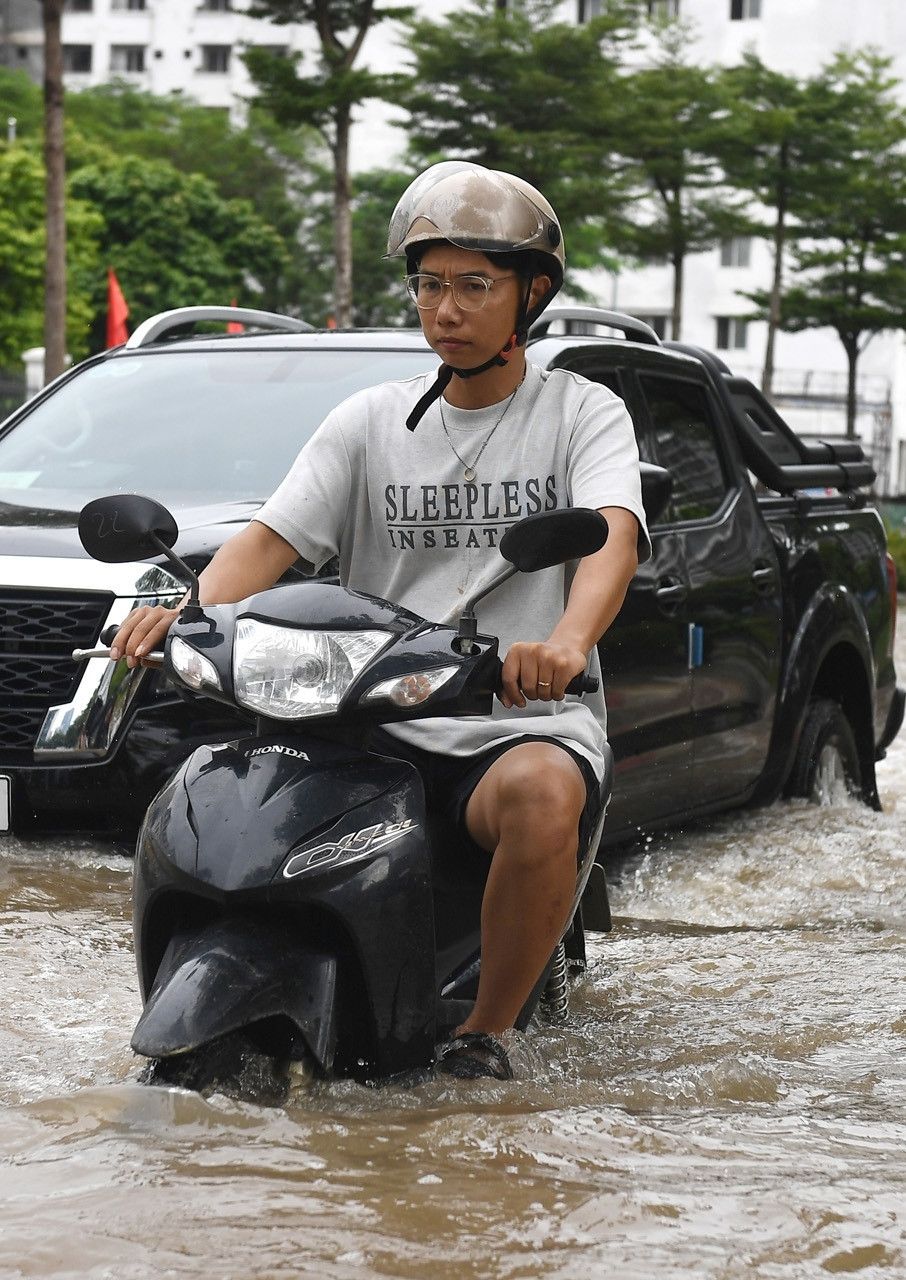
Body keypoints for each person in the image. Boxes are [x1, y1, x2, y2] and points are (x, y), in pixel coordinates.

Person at [107, 161, 646, 1081]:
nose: (447, 309)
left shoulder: (580, 412)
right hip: (357, 716)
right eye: (431, 284)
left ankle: (486, 1031)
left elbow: (611, 540)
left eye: (475, 285)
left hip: (506, 717)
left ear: (532, 293)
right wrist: (179, 607)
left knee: (543, 794)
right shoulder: (367, 420)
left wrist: (564, 644)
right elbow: (269, 544)